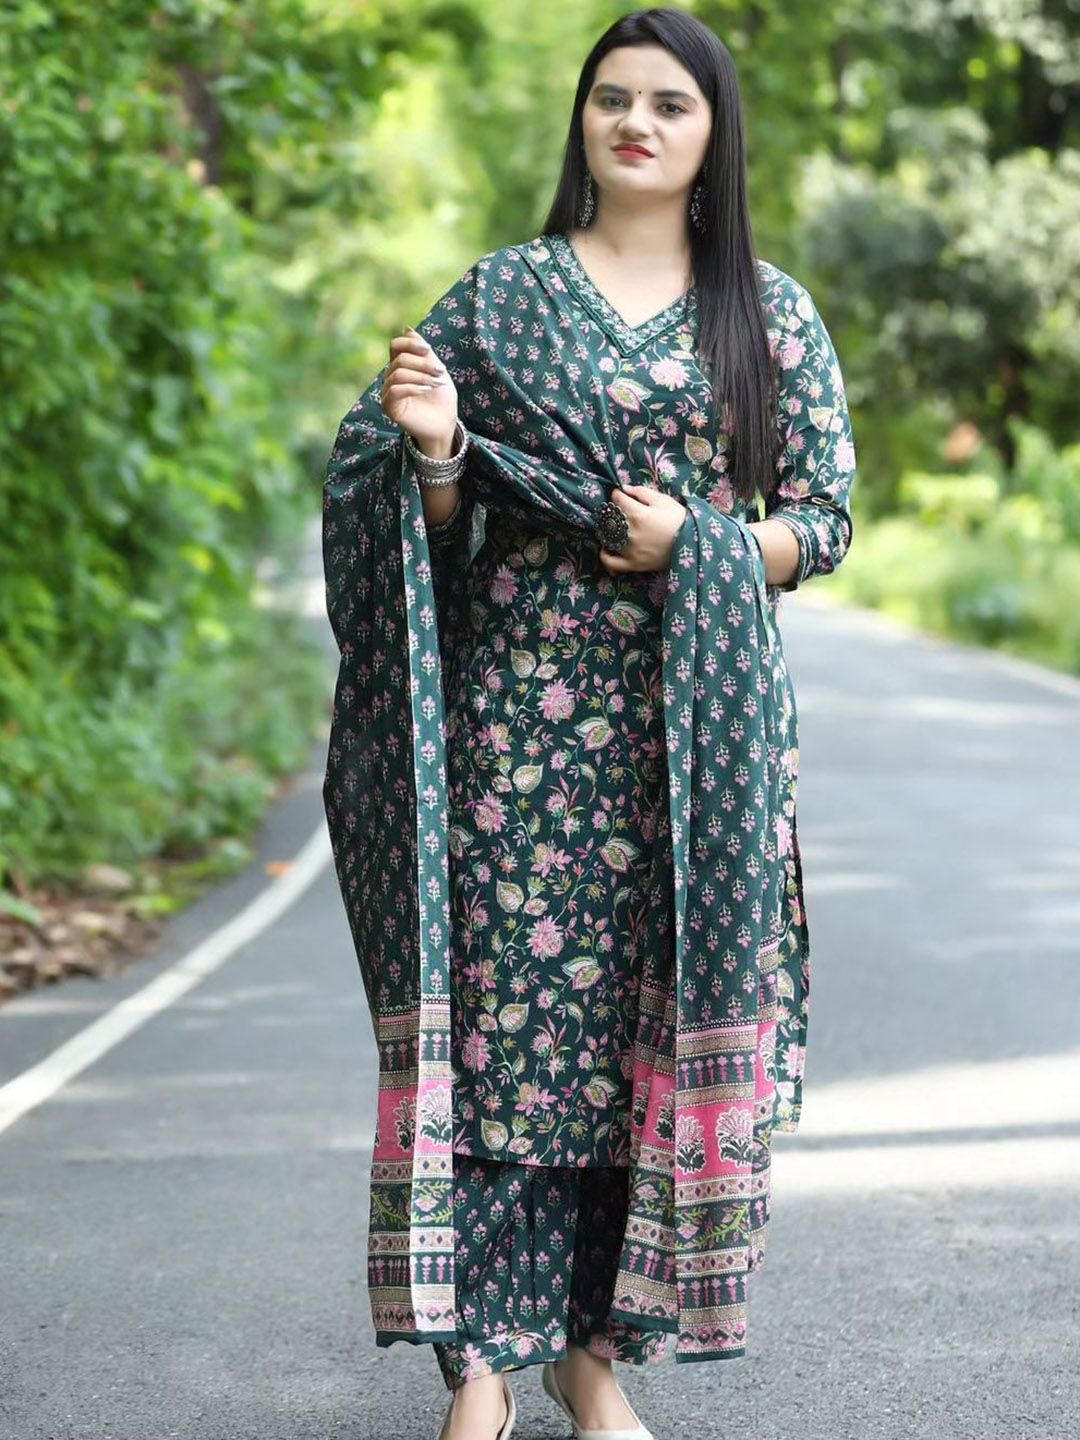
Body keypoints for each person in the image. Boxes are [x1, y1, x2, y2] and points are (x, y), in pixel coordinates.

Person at [321, 8, 856, 1440]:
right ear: (583, 119)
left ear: (712, 134)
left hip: (694, 740)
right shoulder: (502, 298)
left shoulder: (768, 312)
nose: (635, 123)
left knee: (640, 1036)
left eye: (670, 104)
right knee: (508, 1033)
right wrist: (437, 450)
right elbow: (428, 511)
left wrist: (703, 543)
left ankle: (595, 1359)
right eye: (613, 97)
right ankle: (483, 1365)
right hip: (519, 728)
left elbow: (824, 520)